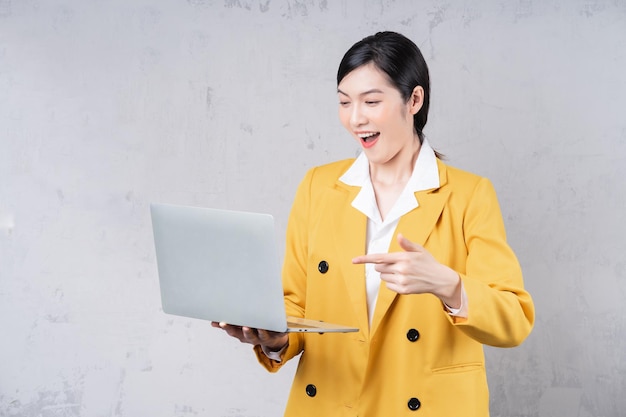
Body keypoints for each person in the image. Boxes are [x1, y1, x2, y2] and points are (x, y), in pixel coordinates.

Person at [213, 31, 535, 416]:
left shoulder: (468, 195)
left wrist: (447, 284)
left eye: (371, 101)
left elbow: (514, 320)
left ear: (414, 100)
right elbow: (296, 304)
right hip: (332, 403)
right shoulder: (318, 187)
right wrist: (273, 337)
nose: (355, 118)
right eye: (344, 102)